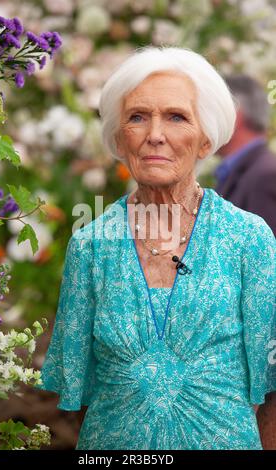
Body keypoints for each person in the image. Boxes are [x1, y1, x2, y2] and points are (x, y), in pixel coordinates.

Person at [36, 46, 276, 450]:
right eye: (137, 117)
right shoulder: (90, 246)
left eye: (177, 117)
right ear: (118, 137)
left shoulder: (249, 239)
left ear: (205, 140)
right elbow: (82, 393)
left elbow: (272, 392)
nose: (155, 135)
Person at [215, 74, 276, 236]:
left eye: (213, 110)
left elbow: (265, 258)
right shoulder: (253, 170)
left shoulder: (265, 176)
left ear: (234, 114)